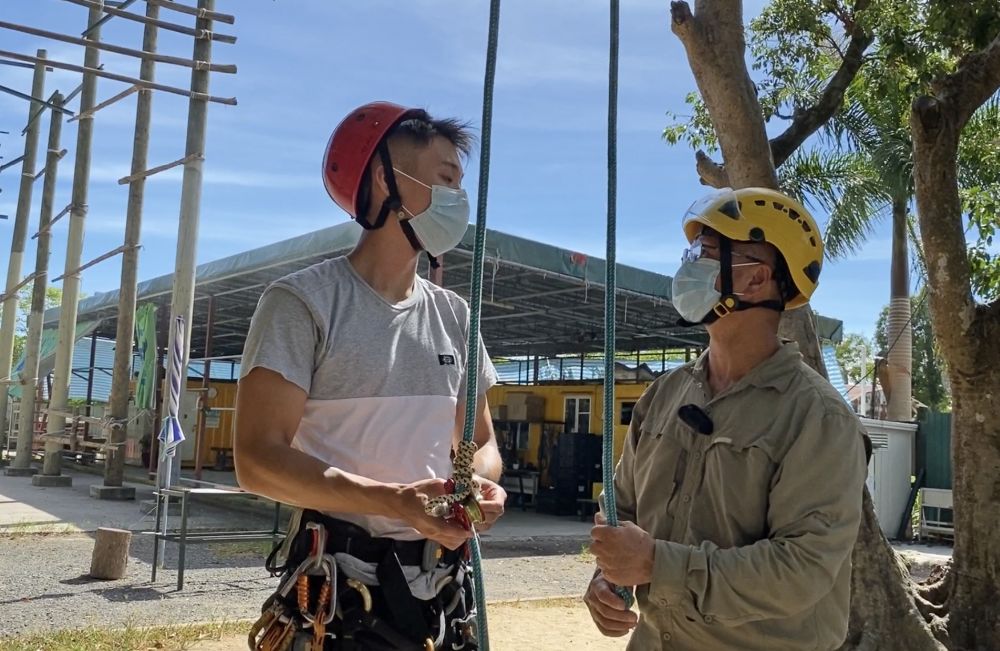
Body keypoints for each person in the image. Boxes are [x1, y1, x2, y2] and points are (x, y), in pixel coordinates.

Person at [235, 101, 505, 650]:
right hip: (341, 598)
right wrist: (393, 500)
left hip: (440, 593)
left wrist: (476, 481)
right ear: (386, 177)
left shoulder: (455, 314)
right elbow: (258, 461)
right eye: (446, 179)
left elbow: (479, 441)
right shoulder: (302, 303)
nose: (459, 200)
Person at [585, 187, 869, 650]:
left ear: (756, 280)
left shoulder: (817, 418)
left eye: (706, 253)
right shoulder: (664, 396)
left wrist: (659, 563)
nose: (688, 265)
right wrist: (606, 578)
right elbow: (621, 511)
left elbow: (802, 569)